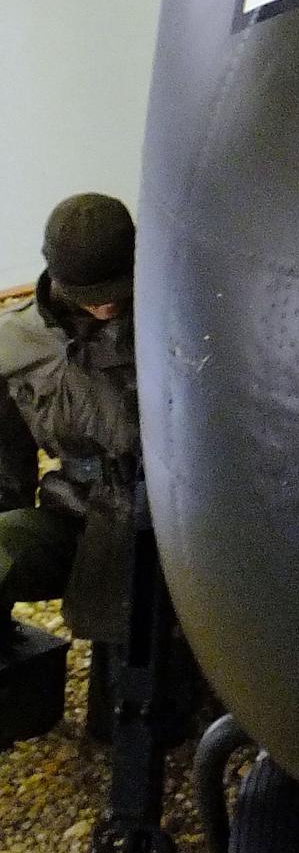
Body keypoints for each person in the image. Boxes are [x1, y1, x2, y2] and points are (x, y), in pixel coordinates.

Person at [0, 195, 141, 665]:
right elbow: (5, 475)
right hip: (72, 511)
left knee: (127, 706)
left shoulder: (167, 327)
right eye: (91, 292)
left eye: (117, 286)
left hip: (156, 530)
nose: (106, 303)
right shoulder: (17, 343)